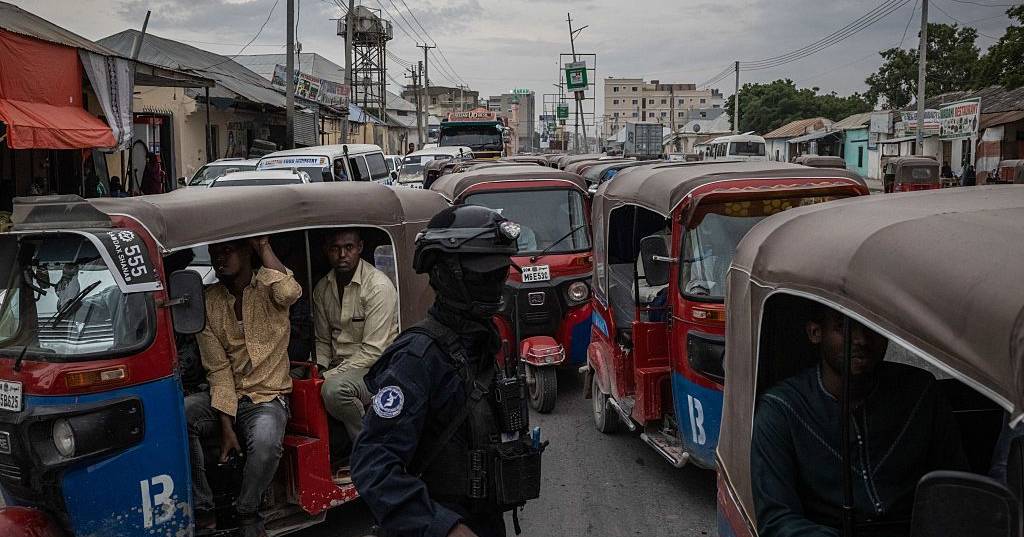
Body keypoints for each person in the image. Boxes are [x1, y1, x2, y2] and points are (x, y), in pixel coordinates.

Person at [351, 205, 533, 537]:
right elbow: (373, 463)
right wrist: (443, 527)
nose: (496, 285)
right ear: (447, 275)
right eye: (485, 275)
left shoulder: (484, 343)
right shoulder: (418, 358)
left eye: (500, 274)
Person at [751, 306, 968, 537]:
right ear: (815, 332)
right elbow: (778, 519)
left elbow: (955, 486)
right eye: (843, 327)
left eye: (872, 325)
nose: (861, 339)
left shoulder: (919, 391)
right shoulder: (782, 409)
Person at [186, 237, 301, 537]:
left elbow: (290, 291)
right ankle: (203, 508)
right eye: (214, 252)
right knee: (182, 414)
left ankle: (247, 509)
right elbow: (217, 367)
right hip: (226, 395)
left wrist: (263, 245)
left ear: (245, 251)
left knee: (265, 443)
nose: (219, 258)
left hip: (268, 396)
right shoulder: (210, 300)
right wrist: (226, 423)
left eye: (226, 250)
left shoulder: (269, 286)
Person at [313, 229, 398, 460]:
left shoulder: (378, 287)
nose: (342, 254)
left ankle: (370, 453)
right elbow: (322, 340)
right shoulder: (322, 288)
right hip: (338, 367)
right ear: (326, 251)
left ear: (359, 248)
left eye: (348, 248)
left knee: (334, 390)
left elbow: (374, 351)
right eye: (335, 249)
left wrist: (329, 376)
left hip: (375, 369)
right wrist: (318, 368)